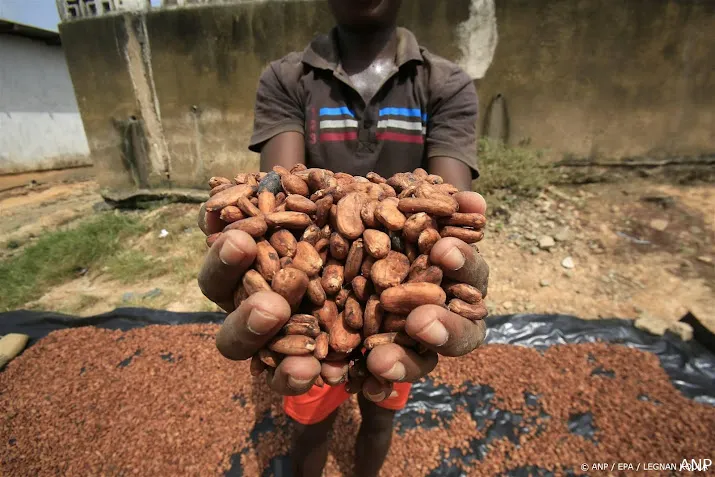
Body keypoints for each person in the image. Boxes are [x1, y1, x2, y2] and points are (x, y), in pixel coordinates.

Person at [198, 1, 490, 476]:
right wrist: (249, 251)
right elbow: (282, 185)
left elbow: (453, 205)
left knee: (380, 413)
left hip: (394, 314)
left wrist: (462, 268)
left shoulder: (444, 82)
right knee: (310, 422)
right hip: (312, 303)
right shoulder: (287, 78)